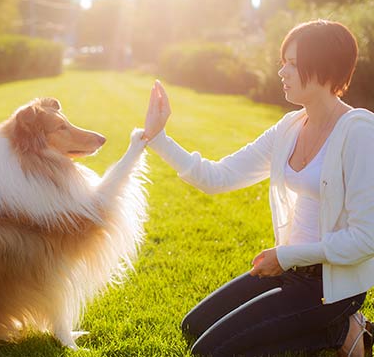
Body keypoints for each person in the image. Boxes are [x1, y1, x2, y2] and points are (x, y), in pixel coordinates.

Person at [141, 20, 374, 356]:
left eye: (292, 64)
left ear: (325, 68)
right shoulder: (288, 128)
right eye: (283, 62)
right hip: (289, 268)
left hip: (332, 285)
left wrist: (285, 256)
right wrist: (159, 137)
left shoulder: (359, 132)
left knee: (211, 351)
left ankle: (341, 329)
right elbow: (216, 176)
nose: (281, 72)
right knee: (192, 326)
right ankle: (339, 328)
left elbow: (366, 239)